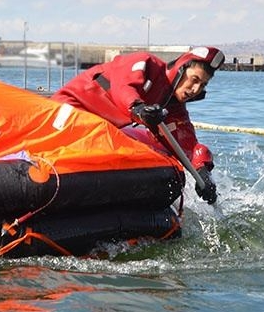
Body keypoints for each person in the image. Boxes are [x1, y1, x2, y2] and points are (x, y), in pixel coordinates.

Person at [51, 46, 225, 204]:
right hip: (65, 114)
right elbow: (123, 86)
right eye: (194, 79)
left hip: (95, 132)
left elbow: (188, 143)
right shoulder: (146, 63)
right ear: (182, 68)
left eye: (202, 85)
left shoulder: (172, 107)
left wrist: (203, 172)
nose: (195, 89)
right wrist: (138, 109)